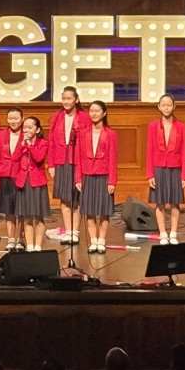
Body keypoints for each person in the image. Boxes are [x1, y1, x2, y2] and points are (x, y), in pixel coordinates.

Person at [47, 86, 90, 244]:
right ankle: (68, 231)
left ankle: (75, 232)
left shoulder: (84, 117)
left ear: (76, 99)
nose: (66, 101)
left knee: (76, 198)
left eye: (69, 99)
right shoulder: (56, 117)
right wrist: (51, 164)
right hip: (61, 160)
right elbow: (51, 141)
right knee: (64, 198)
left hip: (77, 161)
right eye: (63, 98)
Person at [75, 101, 118, 254]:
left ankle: (101, 240)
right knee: (90, 210)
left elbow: (113, 158)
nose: (93, 113)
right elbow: (78, 157)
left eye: (97, 111)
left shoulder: (110, 134)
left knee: (104, 210)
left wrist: (112, 181)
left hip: (104, 175)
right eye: (91, 111)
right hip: (87, 175)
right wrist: (78, 178)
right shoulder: (82, 133)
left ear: (104, 113)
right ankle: (93, 240)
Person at [147, 93, 185, 245]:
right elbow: (149, 150)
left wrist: (184, 175)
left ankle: (173, 233)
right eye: (163, 105)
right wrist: (150, 174)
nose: (166, 107)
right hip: (158, 167)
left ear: (174, 106)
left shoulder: (181, 126)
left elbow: (184, 151)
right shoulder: (153, 126)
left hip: (175, 168)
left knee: (175, 203)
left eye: (169, 105)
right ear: (159, 107)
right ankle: (163, 233)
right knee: (159, 203)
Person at [15, 115, 49, 251]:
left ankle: (38, 245)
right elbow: (15, 157)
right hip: (24, 181)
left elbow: (39, 158)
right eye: (25, 127)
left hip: (37, 182)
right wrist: (22, 145)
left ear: (37, 129)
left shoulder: (43, 143)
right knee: (26, 215)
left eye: (30, 127)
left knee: (38, 216)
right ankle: (29, 245)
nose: (26, 130)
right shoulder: (21, 143)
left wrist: (30, 145)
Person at [0, 107, 24, 251]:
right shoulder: (0, 135)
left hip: (21, 175)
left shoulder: (26, 135)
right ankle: (11, 239)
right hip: (5, 175)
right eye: (10, 118)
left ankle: (20, 239)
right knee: (8, 210)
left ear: (22, 119)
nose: (13, 121)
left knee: (20, 210)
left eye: (16, 118)